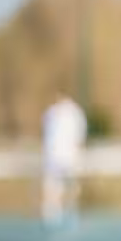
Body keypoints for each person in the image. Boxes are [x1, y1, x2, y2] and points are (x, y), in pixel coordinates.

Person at [41, 91, 88, 230]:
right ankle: (53, 212)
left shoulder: (75, 113)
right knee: (54, 185)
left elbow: (80, 133)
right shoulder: (52, 112)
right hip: (55, 155)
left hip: (68, 155)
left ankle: (70, 210)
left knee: (71, 184)